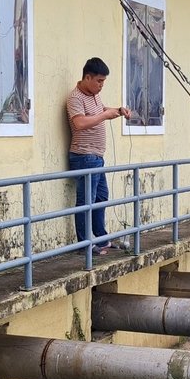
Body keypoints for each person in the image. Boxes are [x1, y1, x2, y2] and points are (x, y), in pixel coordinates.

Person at [66, 57, 130, 254]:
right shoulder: (75, 97)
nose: (101, 85)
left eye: (103, 81)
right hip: (84, 156)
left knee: (101, 197)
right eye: (99, 81)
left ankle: (101, 238)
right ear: (87, 77)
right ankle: (85, 245)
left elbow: (99, 111)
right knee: (86, 201)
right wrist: (104, 116)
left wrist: (117, 111)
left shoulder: (93, 95)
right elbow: (79, 123)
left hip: (96, 157)